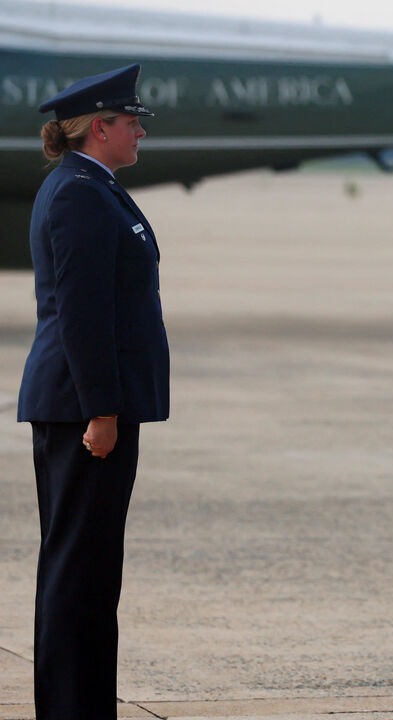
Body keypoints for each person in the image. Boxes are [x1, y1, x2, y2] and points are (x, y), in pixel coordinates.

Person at [17, 63, 169, 720]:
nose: (140, 130)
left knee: (88, 570)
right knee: (79, 572)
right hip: (83, 410)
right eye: (131, 120)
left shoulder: (91, 185)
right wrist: (102, 410)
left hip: (87, 404)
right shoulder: (79, 192)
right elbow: (81, 313)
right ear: (98, 127)